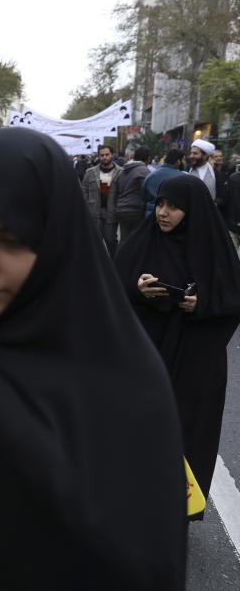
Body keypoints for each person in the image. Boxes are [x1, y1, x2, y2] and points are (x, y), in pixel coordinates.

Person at [0, 128, 186, 589]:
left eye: (11, 241)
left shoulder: (123, 376)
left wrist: (4, 421)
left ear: (56, 238)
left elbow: (141, 563)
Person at [115, 175, 240, 503]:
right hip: (147, 357)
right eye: (160, 204)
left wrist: (203, 304)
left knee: (186, 434)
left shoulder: (214, 248)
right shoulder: (143, 241)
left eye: (174, 207)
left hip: (195, 363)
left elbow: (232, 299)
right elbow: (110, 287)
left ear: (192, 210)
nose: (163, 213)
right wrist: (138, 289)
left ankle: (173, 507)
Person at [82, 144, 121, 255]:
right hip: (94, 213)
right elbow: (83, 191)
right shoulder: (90, 172)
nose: (104, 157)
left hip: (111, 212)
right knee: (94, 243)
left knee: (111, 240)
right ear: (98, 156)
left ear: (112, 155)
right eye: (102, 155)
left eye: (107, 155)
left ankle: (113, 266)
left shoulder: (120, 172)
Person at [114, 146, 151, 246]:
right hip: (135, 209)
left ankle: (120, 261)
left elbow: (117, 189)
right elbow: (147, 191)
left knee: (124, 240)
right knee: (137, 240)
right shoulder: (144, 171)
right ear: (148, 158)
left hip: (121, 209)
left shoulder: (122, 170)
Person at [142, 148, 185, 216]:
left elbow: (143, 201)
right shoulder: (183, 178)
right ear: (178, 161)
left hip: (149, 216)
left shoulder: (150, 176)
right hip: (170, 217)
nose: (184, 162)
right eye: (183, 160)